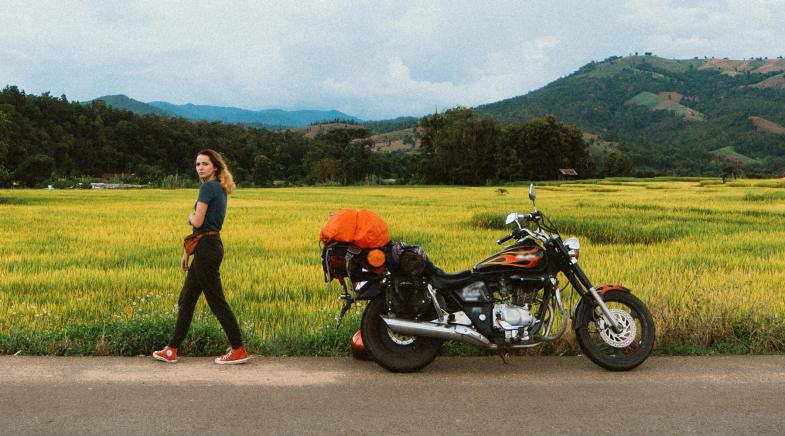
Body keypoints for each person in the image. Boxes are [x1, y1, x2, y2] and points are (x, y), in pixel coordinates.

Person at [153, 149, 249, 365]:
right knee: (187, 298)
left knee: (216, 301)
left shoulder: (208, 187)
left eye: (204, 164)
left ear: (215, 166)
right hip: (207, 246)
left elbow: (197, 222)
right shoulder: (218, 187)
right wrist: (187, 251)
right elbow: (202, 228)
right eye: (197, 164)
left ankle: (238, 349)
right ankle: (172, 349)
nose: (200, 168)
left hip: (207, 248)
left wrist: (189, 216)